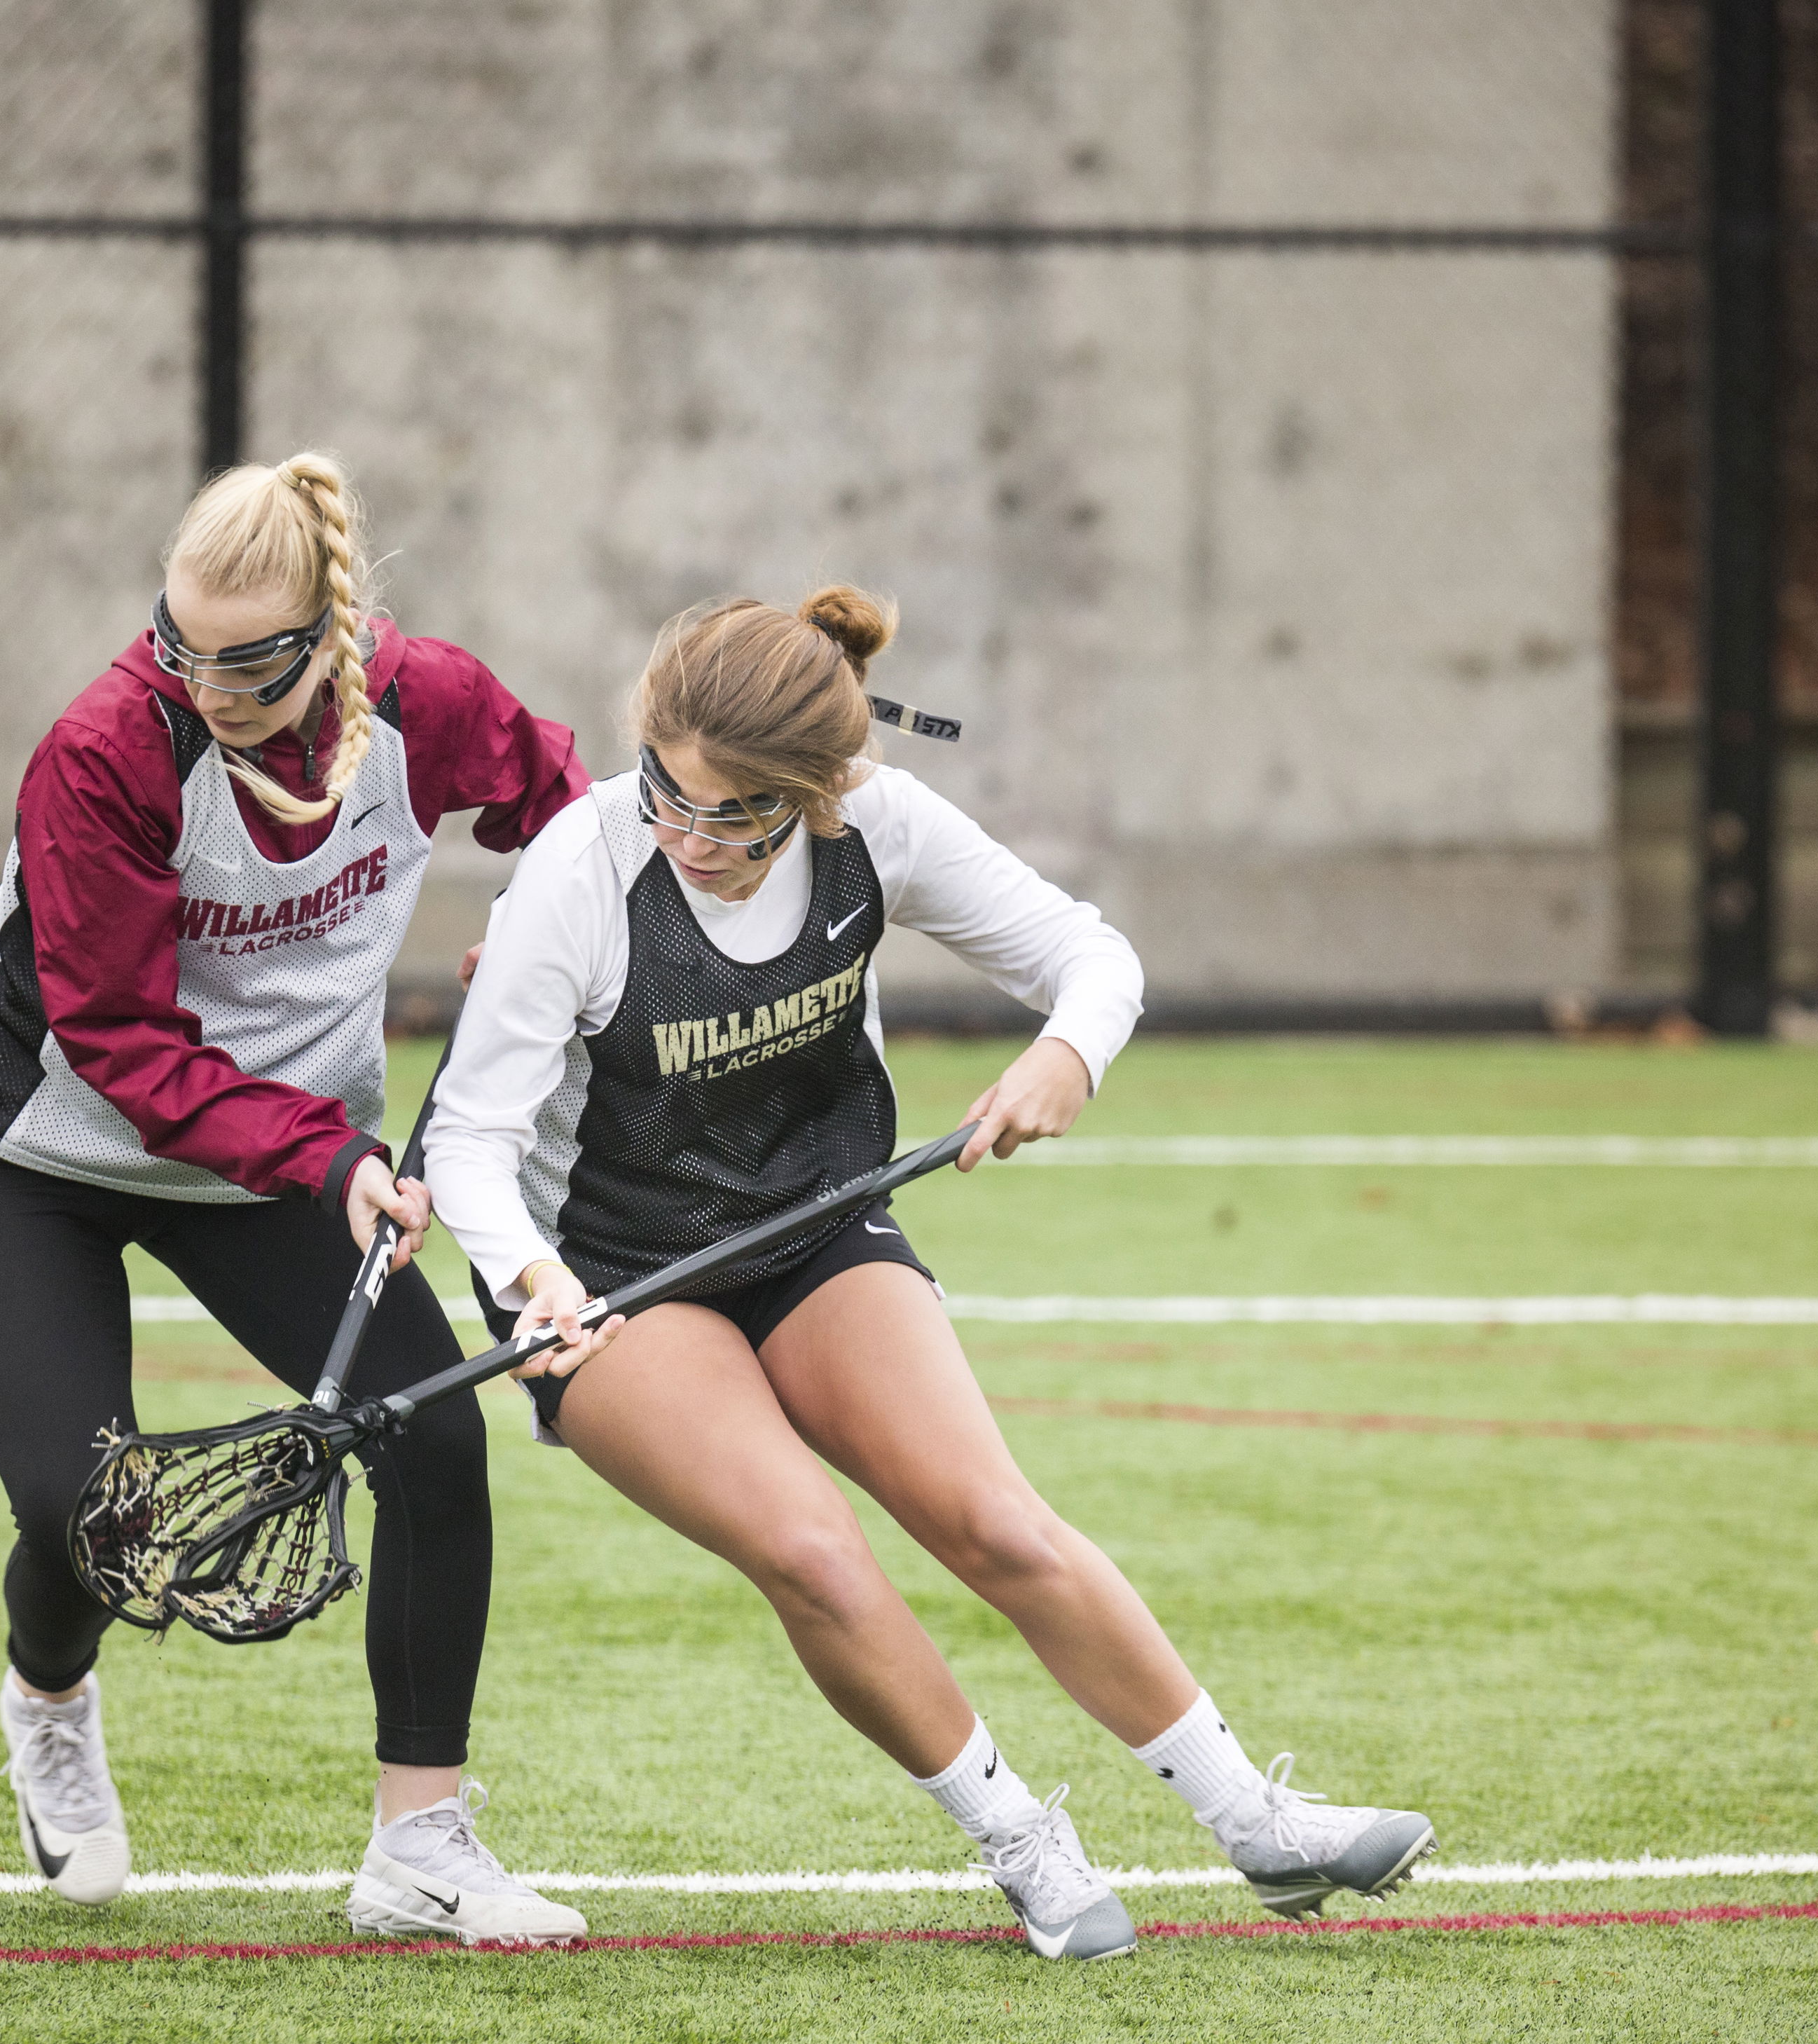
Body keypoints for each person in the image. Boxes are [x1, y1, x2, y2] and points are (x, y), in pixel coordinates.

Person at [422, 586, 1436, 1962]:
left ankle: (1253, 1819)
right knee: (811, 1551)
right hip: (604, 1272)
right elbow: (469, 1144)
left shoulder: (876, 827)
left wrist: (1061, 1058)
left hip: (817, 1221)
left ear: (816, 796)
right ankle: (1021, 1841)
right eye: (668, 792)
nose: (690, 835)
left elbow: (1089, 956)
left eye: (737, 816)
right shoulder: (576, 873)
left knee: (994, 1521)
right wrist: (532, 1280)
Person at [0, 451, 593, 1944]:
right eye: (177, 645)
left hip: (284, 1156)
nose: (202, 684)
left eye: (248, 661)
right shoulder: (104, 748)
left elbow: (570, 820)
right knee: (86, 1509)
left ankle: (419, 1847)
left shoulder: (429, 703)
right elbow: (119, 1043)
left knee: (431, 1434)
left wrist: (541, 941)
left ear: (330, 639)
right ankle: (46, 1692)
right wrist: (333, 1158)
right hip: (39, 1151)